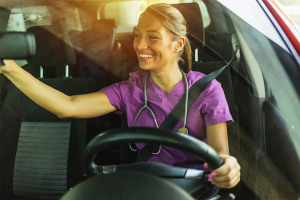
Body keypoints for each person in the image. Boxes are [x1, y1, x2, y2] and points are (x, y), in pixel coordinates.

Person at [0, 3, 240, 189]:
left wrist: (228, 169)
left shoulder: (208, 89)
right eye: (137, 35)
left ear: (178, 45)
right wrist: (9, 68)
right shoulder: (129, 89)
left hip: (193, 188)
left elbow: (221, 155)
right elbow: (68, 106)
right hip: (144, 187)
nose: (140, 45)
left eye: (152, 37)